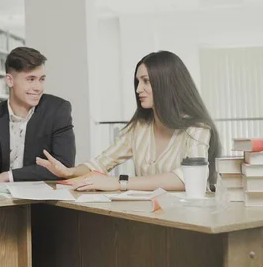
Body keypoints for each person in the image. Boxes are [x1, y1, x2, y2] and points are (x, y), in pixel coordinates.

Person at [37, 50, 221, 191]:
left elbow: (189, 178)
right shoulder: (139, 128)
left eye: (146, 81)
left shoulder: (197, 128)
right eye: (137, 82)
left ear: (167, 84)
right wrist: (70, 172)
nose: (138, 89)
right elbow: (101, 163)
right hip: (149, 218)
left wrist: (119, 183)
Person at [0, 47, 76, 183]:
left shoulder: (58, 110)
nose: (38, 87)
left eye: (41, 79)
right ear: (10, 80)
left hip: (43, 199)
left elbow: (65, 166)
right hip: (0, 198)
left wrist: (10, 176)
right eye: (30, 79)